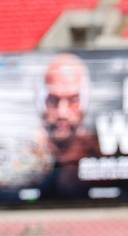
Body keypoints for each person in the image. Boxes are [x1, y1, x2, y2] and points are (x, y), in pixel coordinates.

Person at [37, 53, 99, 197]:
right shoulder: (28, 150)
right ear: (41, 102)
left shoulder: (100, 149)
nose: (62, 113)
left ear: (85, 102)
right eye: (53, 100)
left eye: (73, 100)